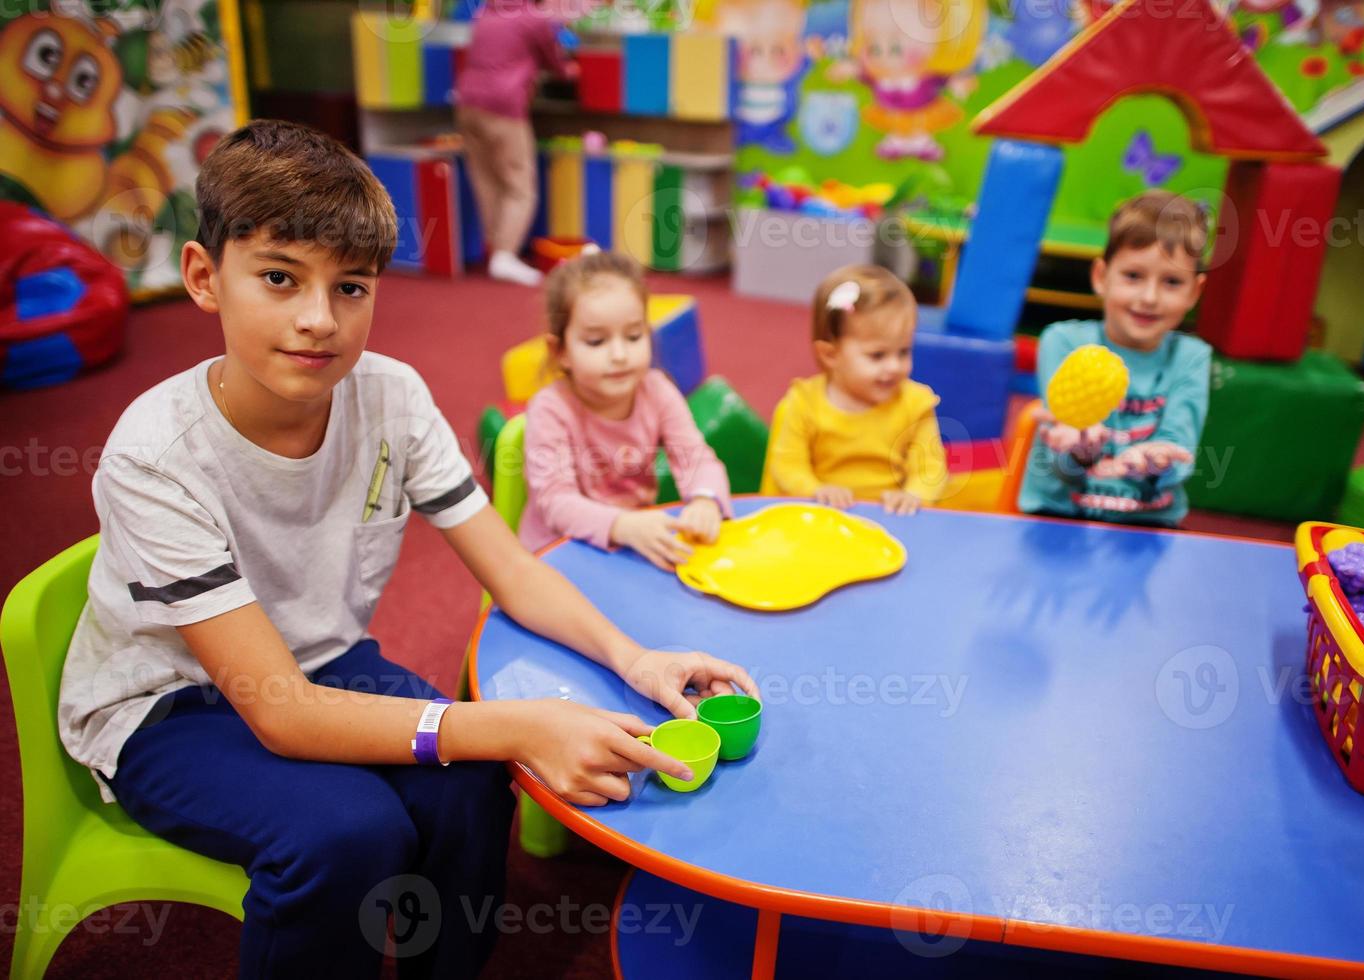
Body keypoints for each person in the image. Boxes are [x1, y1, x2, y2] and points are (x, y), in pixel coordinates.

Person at [56, 120, 755, 978]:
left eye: (350, 288)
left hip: (321, 659)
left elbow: (509, 569)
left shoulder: (391, 396)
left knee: (467, 788)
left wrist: (633, 657)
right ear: (205, 277)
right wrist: (520, 726)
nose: (318, 320)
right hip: (166, 706)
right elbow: (279, 712)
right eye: (279, 279)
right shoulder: (154, 455)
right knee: (348, 832)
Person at [520, 250, 732, 569]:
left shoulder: (657, 390)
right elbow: (556, 503)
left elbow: (696, 457)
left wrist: (705, 498)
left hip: (632, 545)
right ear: (560, 350)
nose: (619, 354)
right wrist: (622, 526)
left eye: (634, 336)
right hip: (557, 555)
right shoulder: (551, 410)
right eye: (596, 342)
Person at [1019, 189, 1213, 527]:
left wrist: (1157, 460)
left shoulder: (1192, 357)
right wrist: (1078, 446)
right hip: (1059, 517)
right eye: (1133, 276)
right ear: (1100, 277)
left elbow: (1178, 446)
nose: (1149, 297)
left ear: (1194, 292)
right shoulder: (1062, 341)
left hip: (1148, 525)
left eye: (1171, 282)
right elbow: (1061, 446)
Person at [761, 264, 947, 515]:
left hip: (891, 518)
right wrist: (816, 490)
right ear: (830, 354)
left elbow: (930, 468)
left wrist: (913, 495)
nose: (894, 366)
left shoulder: (916, 404)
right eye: (877, 355)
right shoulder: (805, 402)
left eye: (903, 351)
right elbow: (787, 465)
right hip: (823, 516)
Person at [454, 0, 575, 286]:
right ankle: (505, 256)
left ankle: (496, 249)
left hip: (467, 103)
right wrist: (571, 70)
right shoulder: (532, 18)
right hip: (503, 105)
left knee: (487, 178)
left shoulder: (486, 12)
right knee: (520, 184)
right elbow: (556, 63)